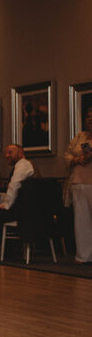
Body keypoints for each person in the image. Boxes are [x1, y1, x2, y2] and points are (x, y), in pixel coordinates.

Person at [64, 108, 92, 263]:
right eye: (88, 116)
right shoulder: (80, 136)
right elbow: (67, 154)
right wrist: (77, 160)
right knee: (81, 221)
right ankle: (83, 255)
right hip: (78, 182)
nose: (90, 119)